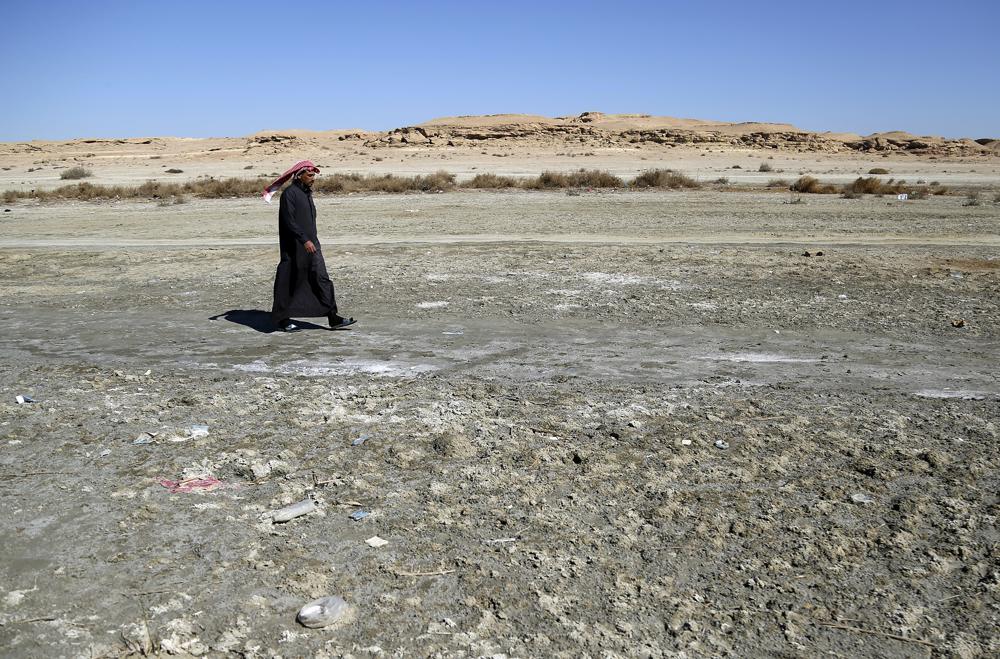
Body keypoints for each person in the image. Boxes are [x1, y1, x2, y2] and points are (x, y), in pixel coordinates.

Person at [264, 160, 356, 332]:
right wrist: (304, 239)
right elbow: (289, 221)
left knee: (321, 279)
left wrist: (311, 240)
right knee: (291, 281)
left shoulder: (306, 193)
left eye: (314, 175)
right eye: (310, 175)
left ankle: (333, 317)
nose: (313, 179)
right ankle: (283, 319)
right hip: (294, 248)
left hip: (312, 246)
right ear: (300, 176)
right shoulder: (289, 194)